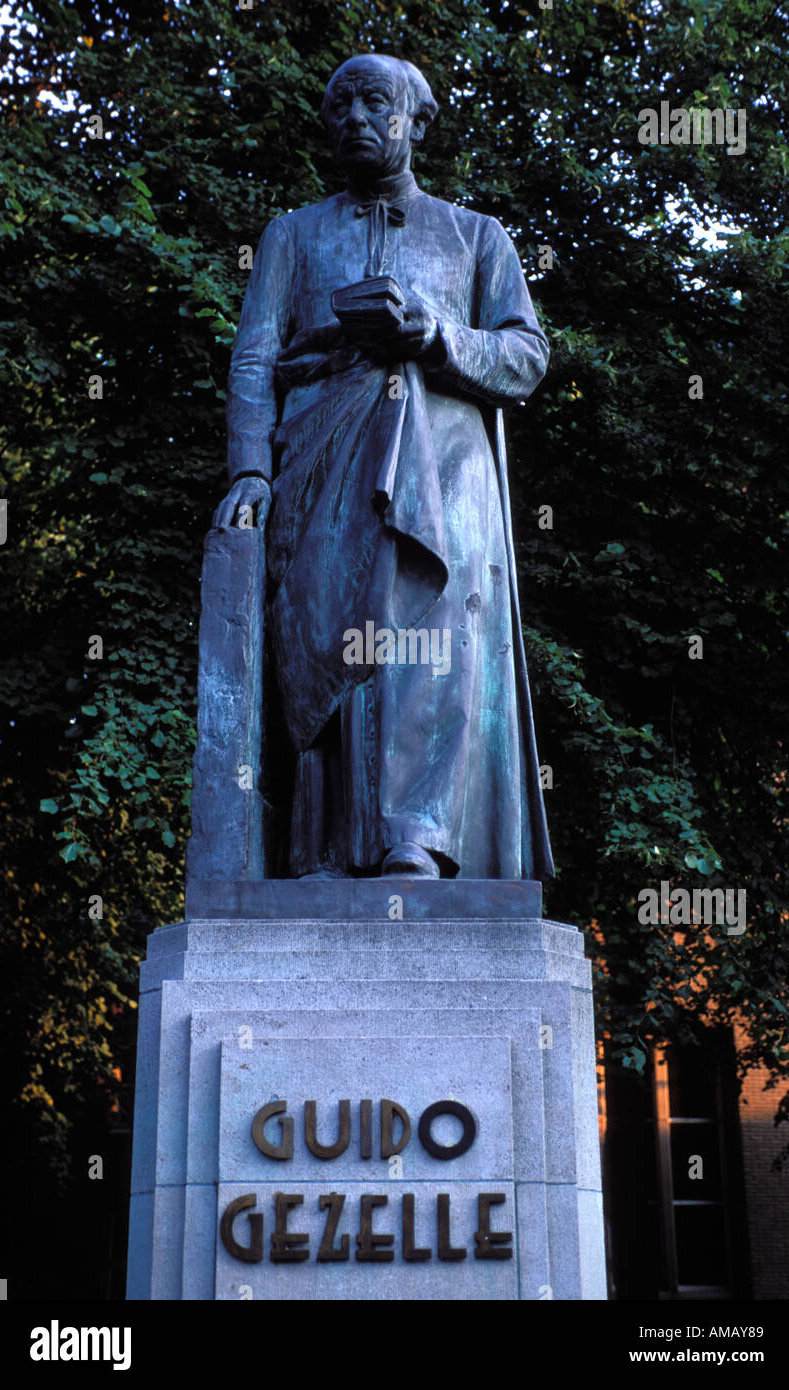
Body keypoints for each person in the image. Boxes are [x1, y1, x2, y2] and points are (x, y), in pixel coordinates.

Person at [212, 53, 554, 882]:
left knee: (432, 630)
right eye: (339, 107)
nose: (355, 119)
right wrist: (250, 472)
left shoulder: (476, 237)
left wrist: (435, 334)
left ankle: (418, 833)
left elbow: (526, 355)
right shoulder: (291, 236)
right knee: (328, 631)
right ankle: (324, 845)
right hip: (322, 457)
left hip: (444, 463)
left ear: (418, 121)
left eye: (375, 102)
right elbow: (254, 362)